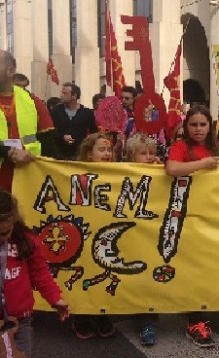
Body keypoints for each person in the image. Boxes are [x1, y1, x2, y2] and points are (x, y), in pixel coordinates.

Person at [165, 105, 219, 347]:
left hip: (211, 215)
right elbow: (172, 168)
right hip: (187, 216)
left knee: (207, 266)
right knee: (192, 267)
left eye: (203, 124)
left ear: (209, 126)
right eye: (193, 124)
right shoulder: (181, 147)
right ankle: (195, 320)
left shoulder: (217, 148)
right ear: (186, 127)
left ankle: (200, 311)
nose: (198, 129)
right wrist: (203, 165)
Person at [0, 190, 70, 357]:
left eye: (4, 233)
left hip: (20, 320)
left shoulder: (25, 241)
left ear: (14, 222)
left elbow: (39, 272)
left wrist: (55, 298)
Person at [71, 133, 117, 338]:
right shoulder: (77, 174)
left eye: (109, 149)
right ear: (89, 154)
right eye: (102, 149)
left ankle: (102, 313)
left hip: (106, 235)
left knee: (104, 273)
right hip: (85, 234)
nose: (107, 153)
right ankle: (81, 316)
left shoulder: (119, 172)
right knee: (84, 273)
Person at [121, 134, 160, 345]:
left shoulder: (160, 171)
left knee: (148, 277)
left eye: (151, 153)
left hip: (151, 233)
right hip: (131, 234)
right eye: (142, 153)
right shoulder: (121, 174)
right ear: (131, 156)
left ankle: (148, 321)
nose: (148, 157)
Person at [0, 50, 55, 193]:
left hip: (26, 182)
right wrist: (8, 151)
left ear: (10, 70)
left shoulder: (32, 101)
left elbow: (46, 141)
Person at [51, 82, 98, 160]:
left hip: (79, 155)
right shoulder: (56, 111)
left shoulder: (87, 113)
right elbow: (51, 130)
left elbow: (93, 133)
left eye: (65, 93)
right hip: (59, 154)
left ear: (74, 96)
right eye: (62, 92)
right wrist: (62, 136)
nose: (61, 96)